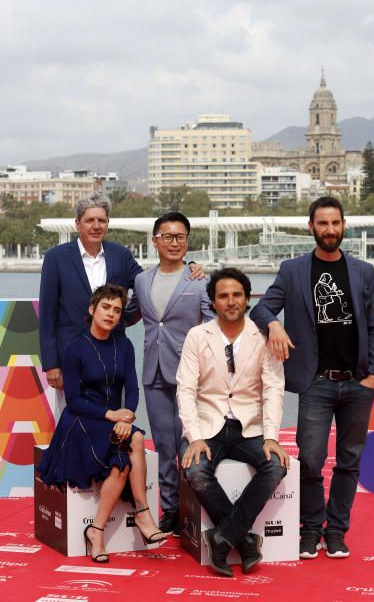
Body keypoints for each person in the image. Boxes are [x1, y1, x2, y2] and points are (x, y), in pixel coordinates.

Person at [250, 196, 374, 559]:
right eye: (322, 224)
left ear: (344, 226)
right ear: (310, 226)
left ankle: (337, 530)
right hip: (316, 382)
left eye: (335, 223)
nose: (329, 230)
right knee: (310, 459)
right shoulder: (293, 270)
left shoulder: (363, 272)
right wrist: (274, 323)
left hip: (358, 383)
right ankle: (311, 529)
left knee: (349, 461)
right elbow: (260, 307)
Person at [38, 284, 165, 563]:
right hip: (81, 420)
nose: (111, 314)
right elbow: (73, 400)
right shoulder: (74, 349)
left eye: (117, 310)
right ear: (92, 309)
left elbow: (132, 390)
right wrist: (113, 416)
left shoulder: (124, 346)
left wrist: (127, 415)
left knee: (125, 452)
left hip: (114, 419)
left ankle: (96, 531)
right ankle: (142, 515)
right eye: (106, 307)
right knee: (135, 440)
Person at [177, 267, 289, 577]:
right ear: (212, 301)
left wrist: (271, 437)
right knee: (196, 470)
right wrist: (195, 437)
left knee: (276, 466)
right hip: (207, 423)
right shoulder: (197, 336)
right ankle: (245, 539)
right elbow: (185, 389)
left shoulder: (263, 336)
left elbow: (274, 389)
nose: (230, 301)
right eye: (223, 296)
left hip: (249, 427)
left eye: (236, 295)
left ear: (247, 298)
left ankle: (222, 537)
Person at [129, 212, 213, 536]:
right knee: (164, 445)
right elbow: (130, 316)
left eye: (180, 237)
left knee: (188, 444)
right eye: (167, 237)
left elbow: (211, 325)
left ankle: (194, 508)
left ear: (187, 241)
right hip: (154, 372)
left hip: (191, 376)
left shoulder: (199, 279)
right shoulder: (141, 280)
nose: (174, 242)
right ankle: (170, 510)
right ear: (155, 241)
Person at [39, 193, 142, 391]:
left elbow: (145, 283)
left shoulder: (121, 255)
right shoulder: (56, 258)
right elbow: (47, 315)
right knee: (72, 419)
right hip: (71, 358)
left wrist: (127, 317)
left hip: (113, 356)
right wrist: (51, 364)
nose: (96, 226)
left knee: (113, 418)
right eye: (90, 220)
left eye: (102, 220)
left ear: (108, 223)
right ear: (78, 224)